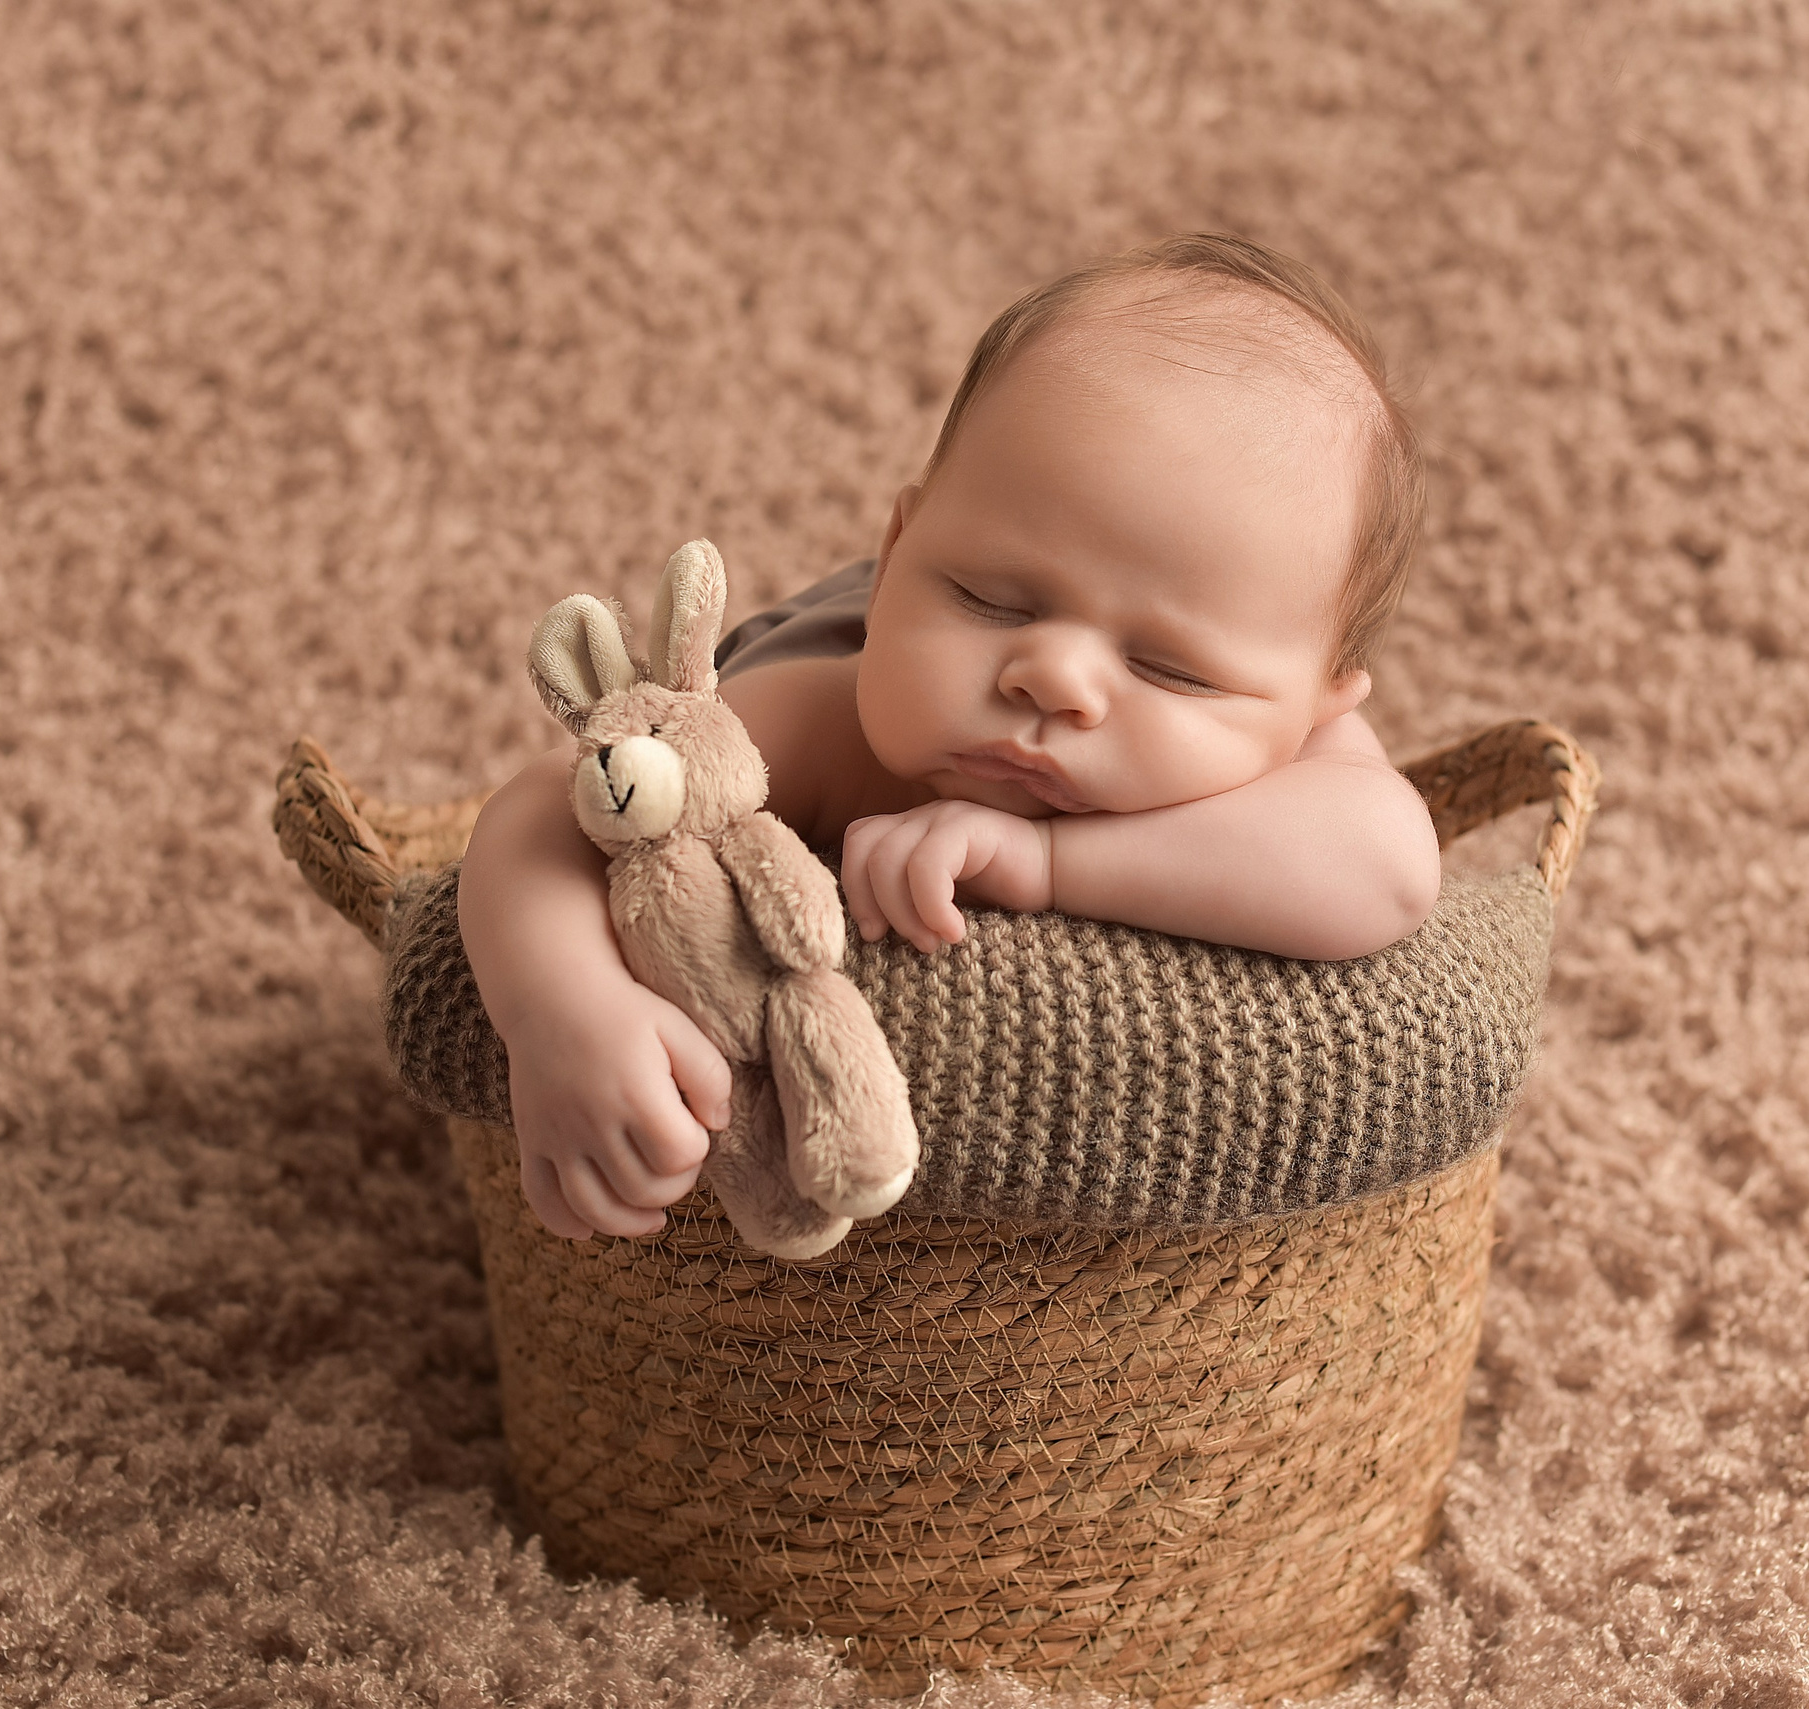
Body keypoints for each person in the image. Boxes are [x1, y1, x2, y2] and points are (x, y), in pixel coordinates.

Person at [456, 233, 1441, 1242]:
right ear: (895, 553)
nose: (1052, 678)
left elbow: (1391, 870)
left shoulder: (1300, 743)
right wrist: (557, 1011)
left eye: (1169, 669)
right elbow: (546, 805)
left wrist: (1045, 857)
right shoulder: (826, 716)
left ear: (1322, 705)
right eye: (987, 597)